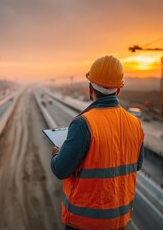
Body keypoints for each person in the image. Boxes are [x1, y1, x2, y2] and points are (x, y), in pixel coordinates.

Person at [50, 56, 144, 230]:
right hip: (119, 221)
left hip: (85, 223)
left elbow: (60, 170)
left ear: (90, 87)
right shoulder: (135, 123)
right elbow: (137, 164)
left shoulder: (83, 124)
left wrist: (57, 153)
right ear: (119, 90)